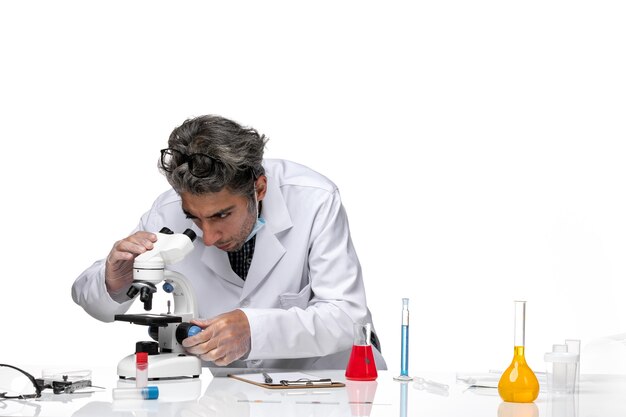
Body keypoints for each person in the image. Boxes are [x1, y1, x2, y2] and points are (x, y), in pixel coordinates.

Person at [72, 115, 386, 370]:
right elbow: (90, 299)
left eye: (222, 215)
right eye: (194, 218)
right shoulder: (167, 210)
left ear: (259, 188)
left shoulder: (314, 199)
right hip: (230, 393)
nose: (207, 237)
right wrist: (114, 278)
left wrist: (254, 330)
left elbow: (347, 316)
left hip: (328, 385)